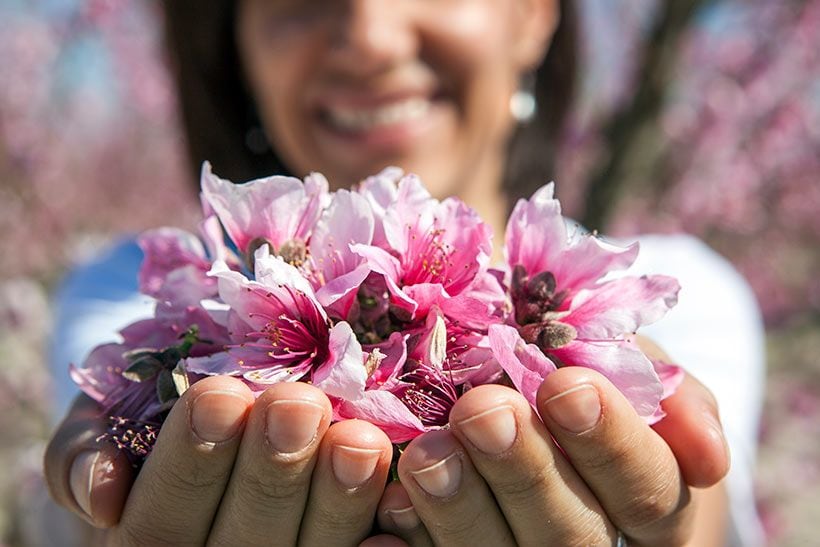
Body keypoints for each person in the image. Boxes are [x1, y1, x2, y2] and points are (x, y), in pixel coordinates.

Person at [44, 0, 766, 545]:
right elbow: (103, 499)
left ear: (533, 15)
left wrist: (665, 513)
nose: (369, 36)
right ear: (232, 40)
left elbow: (699, 501)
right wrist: (101, 509)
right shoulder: (135, 280)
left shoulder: (683, 287)